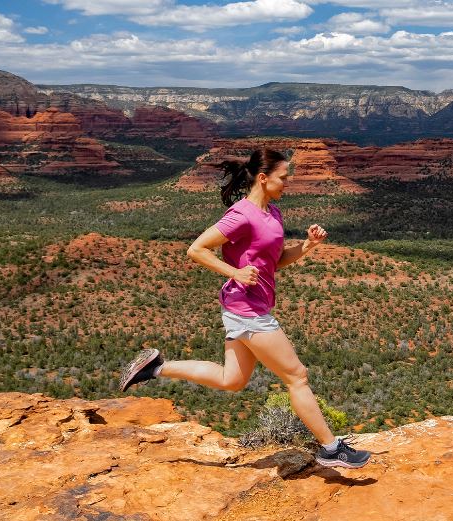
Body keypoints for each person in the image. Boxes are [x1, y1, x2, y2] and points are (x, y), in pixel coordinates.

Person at [119, 148, 370, 469]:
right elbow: (196, 249)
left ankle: (154, 368)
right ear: (263, 178)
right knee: (297, 376)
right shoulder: (241, 215)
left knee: (232, 380)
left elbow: (274, 262)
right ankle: (331, 449)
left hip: (249, 306)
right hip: (247, 309)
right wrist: (235, 272)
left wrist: (307, 245)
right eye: (283, 177)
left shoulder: (273, 213)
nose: (288, 183)